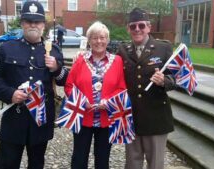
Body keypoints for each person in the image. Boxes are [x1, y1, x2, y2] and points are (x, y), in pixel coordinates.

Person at [0, 1, 68, 169]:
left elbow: (64, 80)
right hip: (14, 117)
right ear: (22, 23)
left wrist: (56, 68)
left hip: (41, 119)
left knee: (37, 163)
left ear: (43, 25)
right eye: (28, 21)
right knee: (7, 163)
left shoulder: (53, 50)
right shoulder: (7, 48)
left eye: (37, 21)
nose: (33, 25)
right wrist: (10, 94)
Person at [117, 8, 176, 169]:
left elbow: (176, 78)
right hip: (132, 116)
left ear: (149, 27)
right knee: (132, 163)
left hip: (156, 117)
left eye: (141, 26)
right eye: (133, 26)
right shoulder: (123, 50)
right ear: (128, 29)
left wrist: (164, 80)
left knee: (155, 164)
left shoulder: (163, 48)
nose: (137, 29)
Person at [65, 21, 127, 169]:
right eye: (94, 37)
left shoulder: (117, 61)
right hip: (83, 116)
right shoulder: (80, 60)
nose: (99, 41)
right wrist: (81, 101)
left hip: (106, 118)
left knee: (103, 159)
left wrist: (110, 102)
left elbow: (122, 88)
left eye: (102, 37)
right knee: (79, 158)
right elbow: (69, 86)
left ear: (108, 40)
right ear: (89, 40)